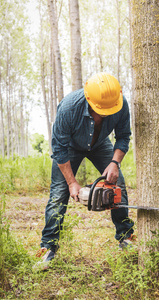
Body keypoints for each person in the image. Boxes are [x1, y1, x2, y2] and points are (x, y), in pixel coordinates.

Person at [36, 72, 134, 268]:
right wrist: (72, 183)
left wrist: (115, 163)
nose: (106, 113)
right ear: (90, 100)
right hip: (70, 147)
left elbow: (123, 136)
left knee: (118, 184)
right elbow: (59, 149)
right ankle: (48, 247)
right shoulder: (69, 107)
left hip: (100, 144)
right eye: (101, 110)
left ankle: (126, 236)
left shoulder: (120, 103)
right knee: (58, 193)